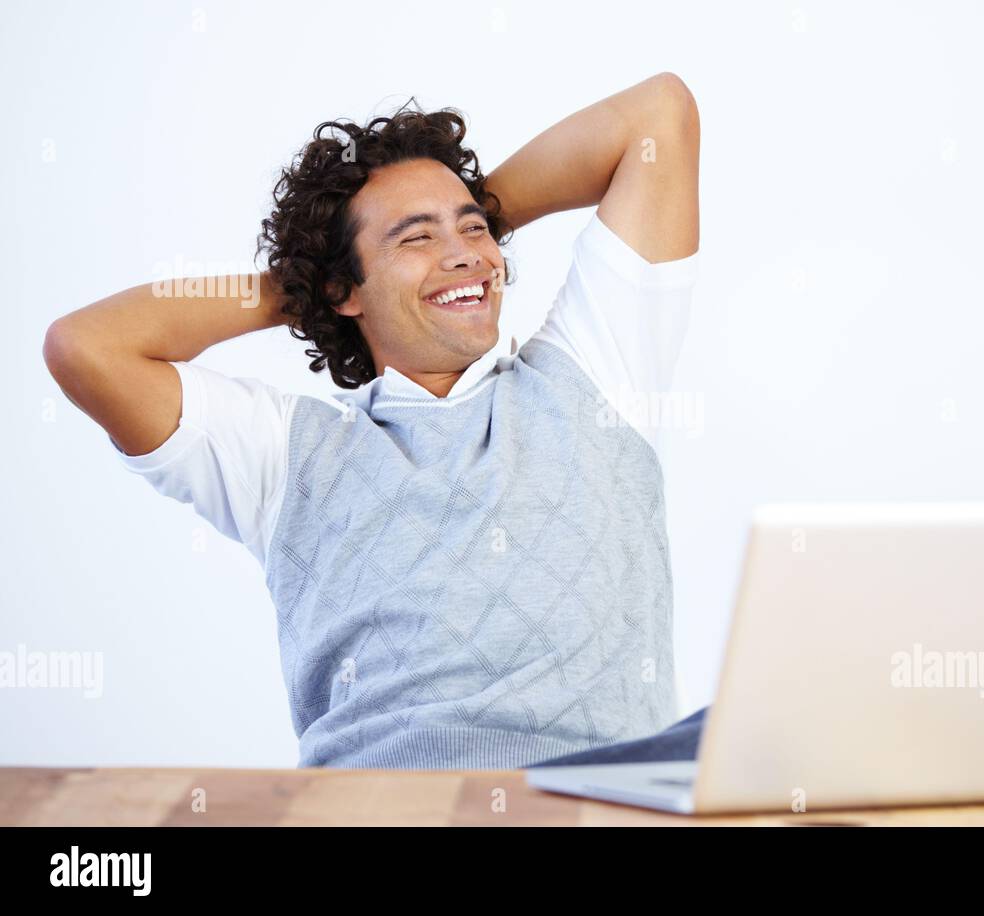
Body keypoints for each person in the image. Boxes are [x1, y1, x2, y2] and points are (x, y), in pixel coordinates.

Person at [43, 73, 704, 770]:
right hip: (372, 809)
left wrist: (456, 239)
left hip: (597, 804)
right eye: (415, 238)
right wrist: (308, 280)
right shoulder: (283, 455)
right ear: (344, 289)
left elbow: (658, 116)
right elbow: (87, 347)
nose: (467, 253)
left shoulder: (596, 375)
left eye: (476, 228)